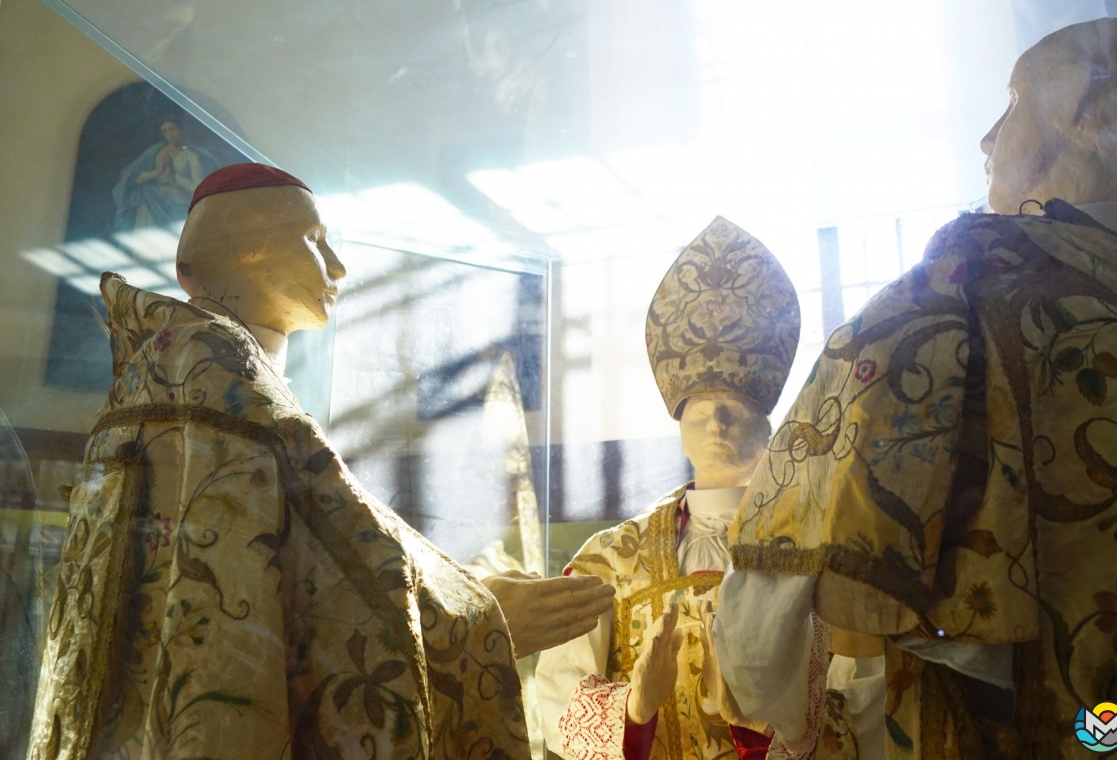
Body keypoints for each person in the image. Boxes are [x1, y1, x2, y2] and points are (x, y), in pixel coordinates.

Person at [28, 163, 614, 760]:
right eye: (314, 241)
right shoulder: (236, 394)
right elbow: (345, 577)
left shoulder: (149, 385)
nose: (337, 266)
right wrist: (478, 620)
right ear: (240, 249)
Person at [711, 18, 1117, 760]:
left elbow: (758, 651)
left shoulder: (962, 286)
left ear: (1088, 116)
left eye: (1013, 103)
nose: (987, 140)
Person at [535, 217, 800, 760]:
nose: (718, 424)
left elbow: (860, 693)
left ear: (768, 427)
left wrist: (772, 720)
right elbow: (557, 703)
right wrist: (635, 708)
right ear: (677, 426)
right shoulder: (607, 562)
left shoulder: (815, 554)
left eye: (733, 409)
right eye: (700, 411)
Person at [112, 116, 219, 231]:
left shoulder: (191, 156)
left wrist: (176, 178)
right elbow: (134, 177)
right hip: (152, 205)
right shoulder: (155, 152)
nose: (170, 135)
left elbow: (198, 189)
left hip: (176, 206)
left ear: (181, 129)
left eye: (172, 129)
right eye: (165, 131)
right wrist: (157, 173)